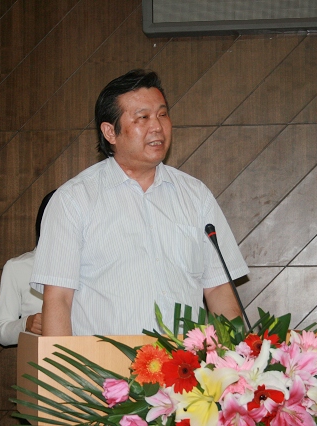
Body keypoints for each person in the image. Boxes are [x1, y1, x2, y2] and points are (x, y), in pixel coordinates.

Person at [31, 69, 249, 336]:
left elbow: (217, 288)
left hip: (185, 360)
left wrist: (235, 356)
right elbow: (59, 299)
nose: (157, 126)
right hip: (106, 362)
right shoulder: (73, 200)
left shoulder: (196, 196)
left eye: (162, 114)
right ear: (110, 132)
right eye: (143, 117)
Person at [0, 191, 55, 346]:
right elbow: (1, 333)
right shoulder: (17, 268)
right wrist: (26, 324)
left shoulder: (92, 267)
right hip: (40, 357)